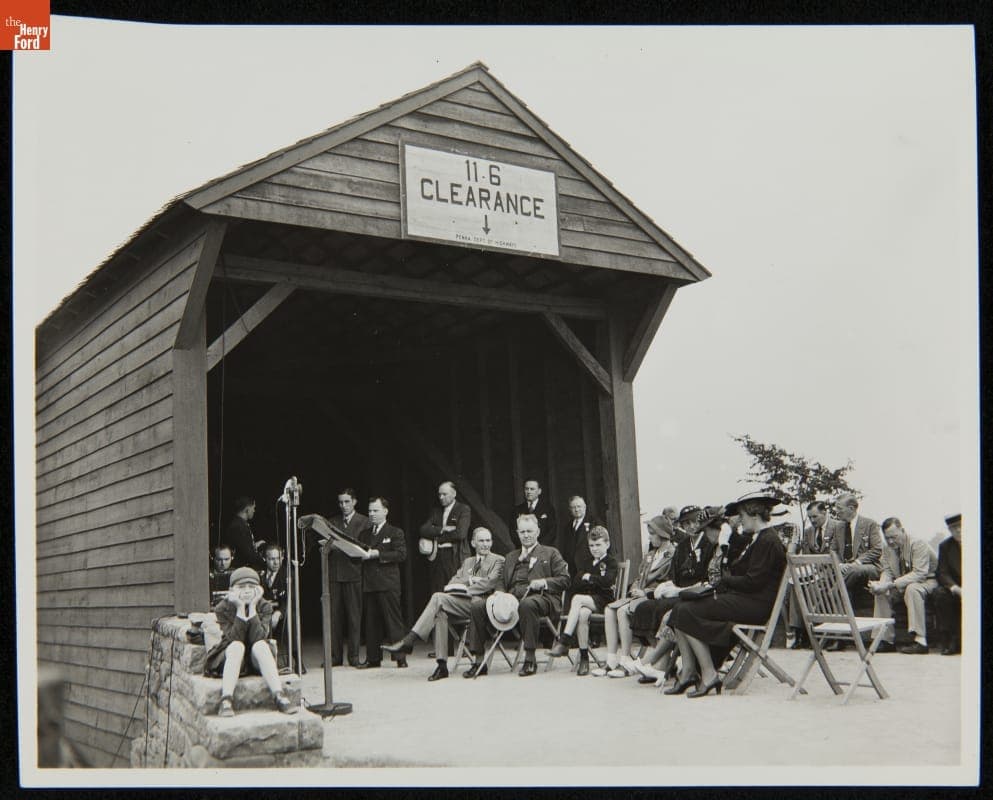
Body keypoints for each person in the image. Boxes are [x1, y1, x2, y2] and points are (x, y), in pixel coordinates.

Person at [666, 491, 787, 698]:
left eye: (742, 516)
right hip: (745, 599)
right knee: (679, 609)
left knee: (687, 611)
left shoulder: (769, 541)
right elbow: (739, 570)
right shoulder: (757, 539)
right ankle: (688, 672)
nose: (740, 520)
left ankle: (709, 674)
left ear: (754, 514)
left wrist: (723, 581)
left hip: (755, 605)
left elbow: (753, 581)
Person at [382, 527, 505, 681]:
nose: (485, 544)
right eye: (481, 541)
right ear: (473, 543)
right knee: (440, 612)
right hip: (465, 604)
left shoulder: (498, 560)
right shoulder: (468, 562)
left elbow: (489, 583)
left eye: (488, 540)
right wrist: (472, 581)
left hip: (483, 606)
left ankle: (409, 640)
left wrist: (468, 583)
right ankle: (442, 665)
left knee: (438, 598)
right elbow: (453, 582)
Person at [464, 513, 570, 677]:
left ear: (538, 532)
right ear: (518, 533)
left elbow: (565, 580)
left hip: (542, 598)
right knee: (478, 605)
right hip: (511, 600)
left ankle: (529, 659)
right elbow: (501, 580)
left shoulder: (551, 553)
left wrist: (543, 582)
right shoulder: (511, 556)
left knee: (527, 604)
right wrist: (498, 592)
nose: (526, 535)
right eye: (522, 532)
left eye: (529, 531)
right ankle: (479, 661)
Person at [625, 505, 719, 681]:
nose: (690, 527)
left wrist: (677, 589)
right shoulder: (683, 545)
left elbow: (708, 576)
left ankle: (658, 664)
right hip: (679, 589)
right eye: (685, 523)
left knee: (665, 609)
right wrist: (670, 587)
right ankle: (662, 660)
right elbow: (675, 575)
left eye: (693, 522)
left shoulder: (709, 544)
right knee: (645, 607)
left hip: (695, 591)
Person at [203, 567, 297, 716]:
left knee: (260, 645)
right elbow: (233, 638)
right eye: (241, 587)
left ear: (258, 590)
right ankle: (226, 700)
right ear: (232, 590)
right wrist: (240, 608)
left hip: (255, 659)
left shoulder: (264, 606)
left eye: (251, 587)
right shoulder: (223, 608)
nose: (247, 591)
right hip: (231, 658)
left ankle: (279, 695)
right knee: (237, 646)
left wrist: (252, 607)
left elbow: (259, 637)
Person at [591, 514, 676, 678]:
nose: (650, 537)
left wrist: (645, 592)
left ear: (663, 535)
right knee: (610, 610)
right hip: (639, 594)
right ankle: (611, 660)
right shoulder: (651, 554)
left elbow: (669, 581)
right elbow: (639, 577)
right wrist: (636, 586)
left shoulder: (671, 554)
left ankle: (624, 660)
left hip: (654, 596)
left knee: (622, 611)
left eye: (652, 534)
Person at [549, 526, 618, 675]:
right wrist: (592, 580)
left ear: (607, 544)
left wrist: (589, 578)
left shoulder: (611, 562)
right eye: (591, 546)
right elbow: (576, 582)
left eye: (598, 545)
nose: (594, 549)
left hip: (605, 601)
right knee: (582, 614)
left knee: (578, 599)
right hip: (589, 601)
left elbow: (607, 581)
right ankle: (584, 658)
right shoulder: (587, 562)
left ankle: (564, 640)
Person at [868, 517, 939, 654]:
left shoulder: (918, 543)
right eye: (887, 538)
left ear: (902, 530)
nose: (890, 541)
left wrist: (889, 585)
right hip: (903, 582)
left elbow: (920, 573)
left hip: (928, 581)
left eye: (894, 537)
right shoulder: (887, 547)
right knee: (880, 592)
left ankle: (920, 641)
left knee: (912, 589)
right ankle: (884, 640)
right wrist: (880, 585)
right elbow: (888, 570)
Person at [785, 501, 846, 648]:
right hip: (814, 570)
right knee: (794, 585)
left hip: (833, 570)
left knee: (814, 587)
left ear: (825, 513)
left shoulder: (838, 527)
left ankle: (826, 634)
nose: (812, 520)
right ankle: (799, 630)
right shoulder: (808, 532)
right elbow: (807, 555)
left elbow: (840, 553)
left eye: (815, 517)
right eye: (810, 517)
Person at [357, 496, 407, 669]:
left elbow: (401, 554)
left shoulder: (395, 532)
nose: (371, 514)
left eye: (375, 510)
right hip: (370, 583)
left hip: (388, 583)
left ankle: (400, 657)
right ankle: (373, 658)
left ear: (385, 511)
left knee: (393, 621)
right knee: (371, 622)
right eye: (370, 511)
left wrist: (377, 554)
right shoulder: (364, 534)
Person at [328, 487, 367, 667]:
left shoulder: (364, 522)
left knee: (354, 617)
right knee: (334, 617)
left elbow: (364, 546)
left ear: (354, 502)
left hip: (354, 574)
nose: (343, 506)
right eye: (340, 502)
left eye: (347, 502)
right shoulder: (331, 521)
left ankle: (353, 657)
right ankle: (335, 657)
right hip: (335, 574)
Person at [418, 481, 472, 597]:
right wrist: (441, 529)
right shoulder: (436, 511)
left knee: (456, 590)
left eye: (444, 494)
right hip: (438, 557)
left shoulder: (463, 509)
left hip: (455, 556)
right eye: (439, 495)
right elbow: (423, 529)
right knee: (438, 590)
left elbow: (460, 534)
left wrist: (437, 539)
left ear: (454, 493)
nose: (441, 497)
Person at [831, 492, 883, 601]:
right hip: (846, 567)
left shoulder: (870, 524)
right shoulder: (838, 527)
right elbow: (833, 550)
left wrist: (856, 563)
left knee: (854, 570)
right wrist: (840, 564)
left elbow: (877, 549)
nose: (837, 512)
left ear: (851, 508)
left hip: (867, 566)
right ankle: (846, 612)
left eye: (840, 508)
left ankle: (830, 597)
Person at [934, 513, 962, 655]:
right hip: (957, 589)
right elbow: (942, 573)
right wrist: (955, 588)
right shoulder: (945, 546)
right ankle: (950, 640)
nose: (958, 531)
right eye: (953, 528)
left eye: (960, 526)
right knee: (940, 594)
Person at [509, 478, 557, 548]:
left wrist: (537, 548)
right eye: (526, 489)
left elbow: (552, 532)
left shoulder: (548, 509)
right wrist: (525, 546)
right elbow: (513, 533)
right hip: (523, 551)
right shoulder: (517, 510)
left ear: (539, 491)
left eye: (532, 489)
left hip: (542, 550)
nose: (529, 492)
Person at [559, 495, 598, 575]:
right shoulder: (568, 527)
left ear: (585, 507)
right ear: (570, 509)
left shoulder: (594, 523)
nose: (576, 510)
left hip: (589, 570)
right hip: (572, 571)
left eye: (579, 506)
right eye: (573, 507)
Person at [225, 495, 266, 571]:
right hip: (241, 569)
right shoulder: (238, 527)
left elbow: (242, 546)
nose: (254, 511)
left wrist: (255, 545)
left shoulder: (240, 524)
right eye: (253, 508)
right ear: (247, 510)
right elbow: (248, 555)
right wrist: (266, 563)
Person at [260, 543, 288, 651]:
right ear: (265, 559)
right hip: (263, 611)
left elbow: (290, 599)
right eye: (272, 559)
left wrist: (279, 613)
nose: (276, 562)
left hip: (280, 611)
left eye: (278, 558)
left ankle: (293, 656)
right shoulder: (260, 574)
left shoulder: (288, 574)